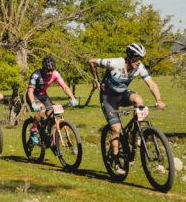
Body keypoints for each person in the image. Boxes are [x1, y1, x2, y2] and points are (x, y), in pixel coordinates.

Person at [89, 43, 166, 175]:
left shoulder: (139, 67)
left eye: (141, 58)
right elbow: (92, 61)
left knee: (139, 100)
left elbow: (151, 84)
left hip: (122, 94)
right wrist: (96, 80)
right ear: (129, 57)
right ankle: (116, 161)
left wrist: (158, 100)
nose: (139, 62)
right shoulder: (115, 63)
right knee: (116, 129)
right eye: (136, 58)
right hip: (108, 98)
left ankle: (133, 134)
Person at [26, 56, 79, 145]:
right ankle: (33, 130)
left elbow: (65, 87)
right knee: (42, 109)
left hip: (43, 95)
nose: (50, 73)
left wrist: (72, 98)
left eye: (52, 70)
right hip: (33, 96)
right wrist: (33, 103)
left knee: (52, 113)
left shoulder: (55, 74)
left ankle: (46, 131)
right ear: (43, 69)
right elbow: (30, 91)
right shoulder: (36, 75)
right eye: (48, 70)